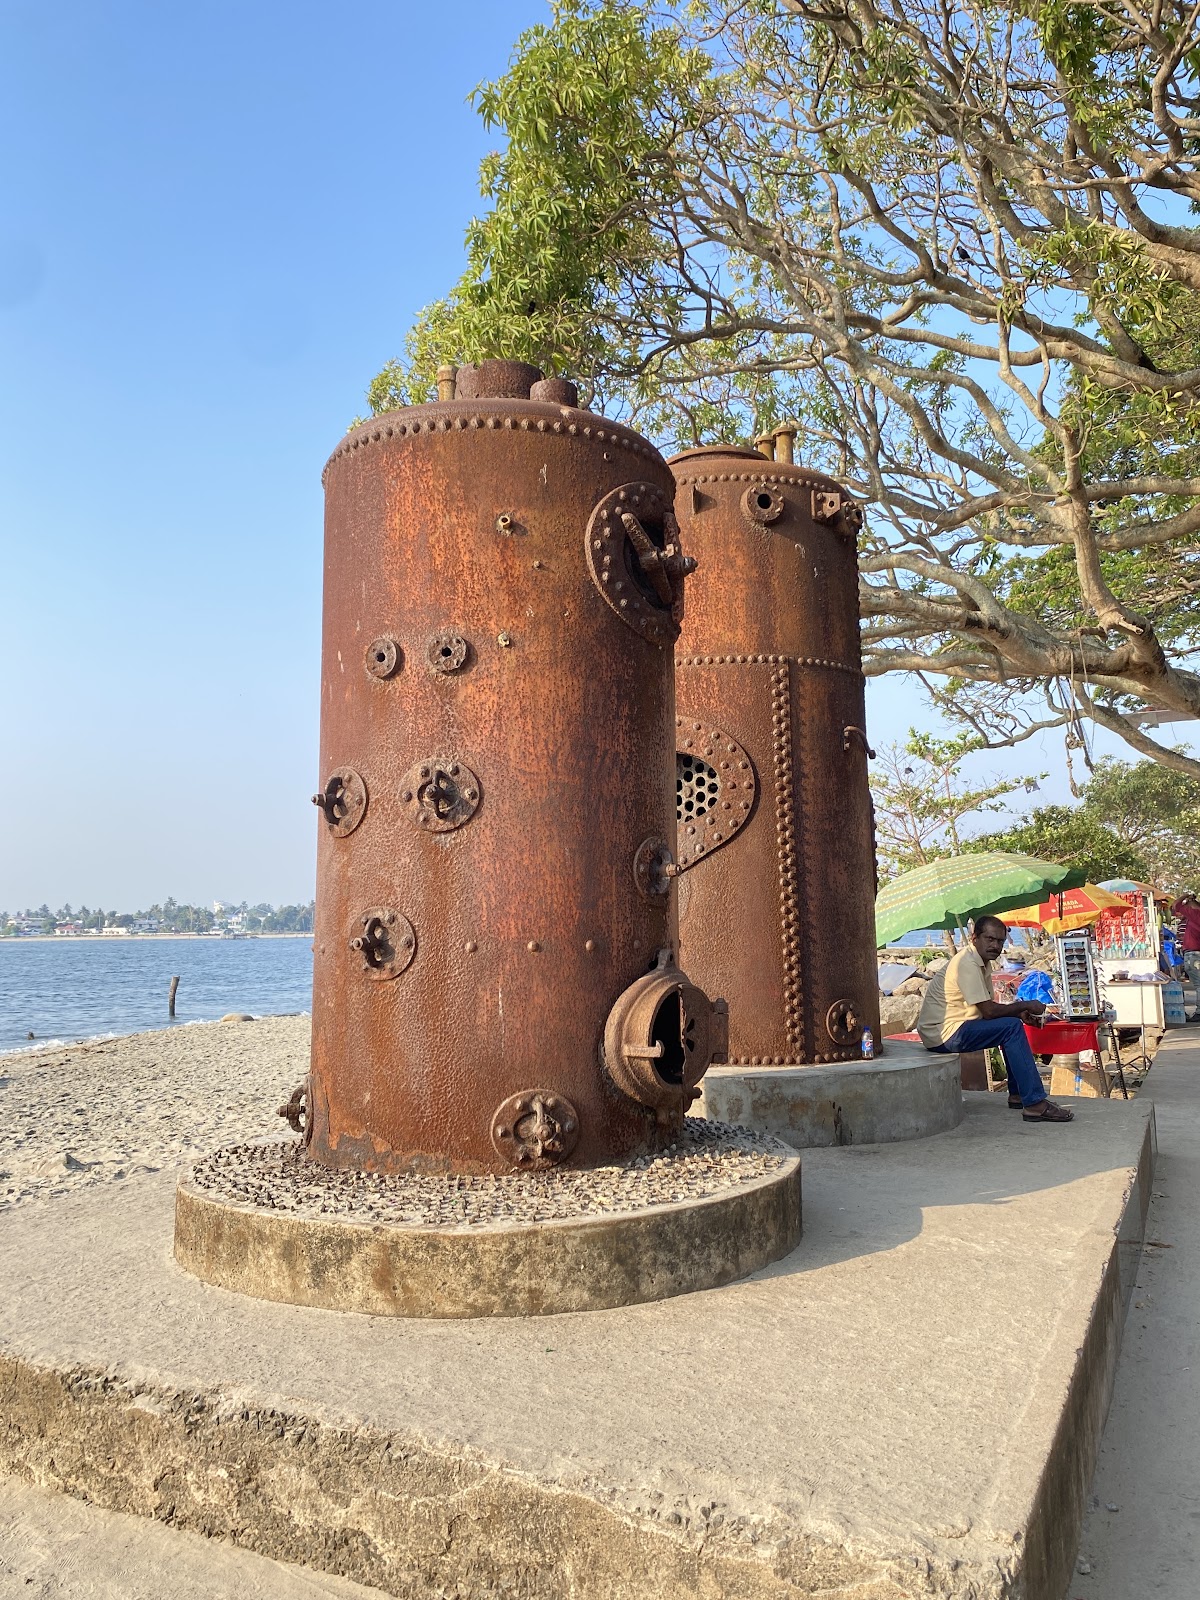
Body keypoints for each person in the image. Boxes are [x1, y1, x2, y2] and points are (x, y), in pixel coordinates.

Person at [917, 915, 1074, 1122]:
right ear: (974, 938)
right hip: (943, 1033)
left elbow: (984, 1010)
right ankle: (1035, 1103)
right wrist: (1026, 1004)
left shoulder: (980, 961)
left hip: (955, 1027)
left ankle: (1018, 1094)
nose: (995, 945)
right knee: (1010, 1028)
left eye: (1000, 941)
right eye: (989, 939)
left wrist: (1019, 1013)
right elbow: (989, 1012)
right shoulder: (967, 963)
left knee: (1012, 1025)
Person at [1170, 893, 1200, 993]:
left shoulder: (1195, 914)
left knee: (1199, 985)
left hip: (1193, 954)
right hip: (1195, 953)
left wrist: (1185, 895)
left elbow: (1176, 905)